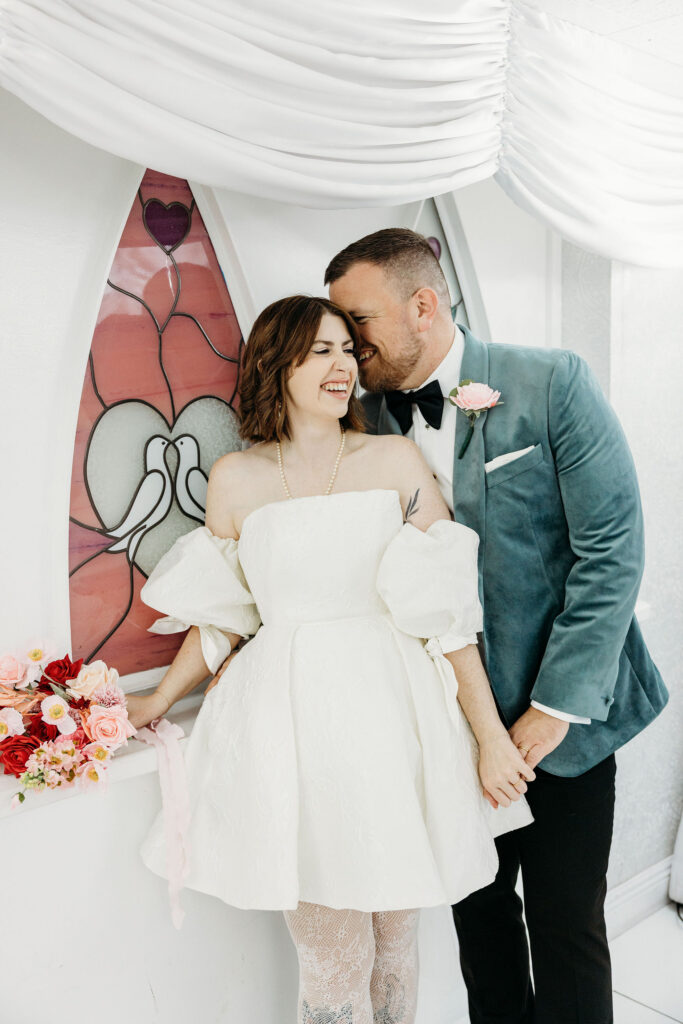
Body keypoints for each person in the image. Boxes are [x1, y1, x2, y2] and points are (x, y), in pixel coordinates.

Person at [126, 294, 534, 1024]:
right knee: (331, 962)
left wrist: (488, 738)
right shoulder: (236, 478)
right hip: (290, 725)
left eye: (348, 349)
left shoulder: (393, 458)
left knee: (394, 942)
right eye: (319, 350)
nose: (341, 364)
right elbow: (224, 615)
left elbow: (446, 614)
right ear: (274, 363)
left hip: (394, 715)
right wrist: (156, 700)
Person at [324, 228, 669, 1024]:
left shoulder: (550, 381)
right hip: (445, 725)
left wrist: (551, 710)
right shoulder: (362, 425)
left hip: (564, 722)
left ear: (422, 304)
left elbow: (611, 553)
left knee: (565, 926)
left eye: (358, 320)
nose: (348, 344)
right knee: (477, 924)